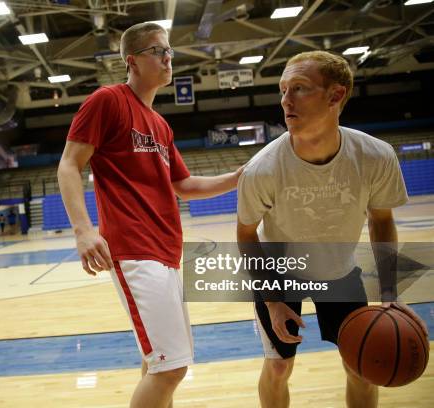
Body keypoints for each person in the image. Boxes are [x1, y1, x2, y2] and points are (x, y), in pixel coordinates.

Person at [57, 22, 243, 408]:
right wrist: (83, 230)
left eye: (169, 50)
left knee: (159, 364)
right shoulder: (107, 100)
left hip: (168, 253)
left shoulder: (160, 125)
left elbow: (186, 185)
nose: (168, 57)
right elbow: (69, 165)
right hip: (134, 249)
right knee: (171, 368)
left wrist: (240, 177)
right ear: (133, 61)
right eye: (159, 51)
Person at [236, 50, 429, 408]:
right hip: (279, 276)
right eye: (283, 89)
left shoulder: (375, 156)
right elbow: (246, 235)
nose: (285, 100)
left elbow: (381, 220)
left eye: (299, 88)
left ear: (336, 95)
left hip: (339, 274)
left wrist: (389, 293)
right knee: (278, 367)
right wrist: (273, 303)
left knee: (359, 366)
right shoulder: (261, 168)